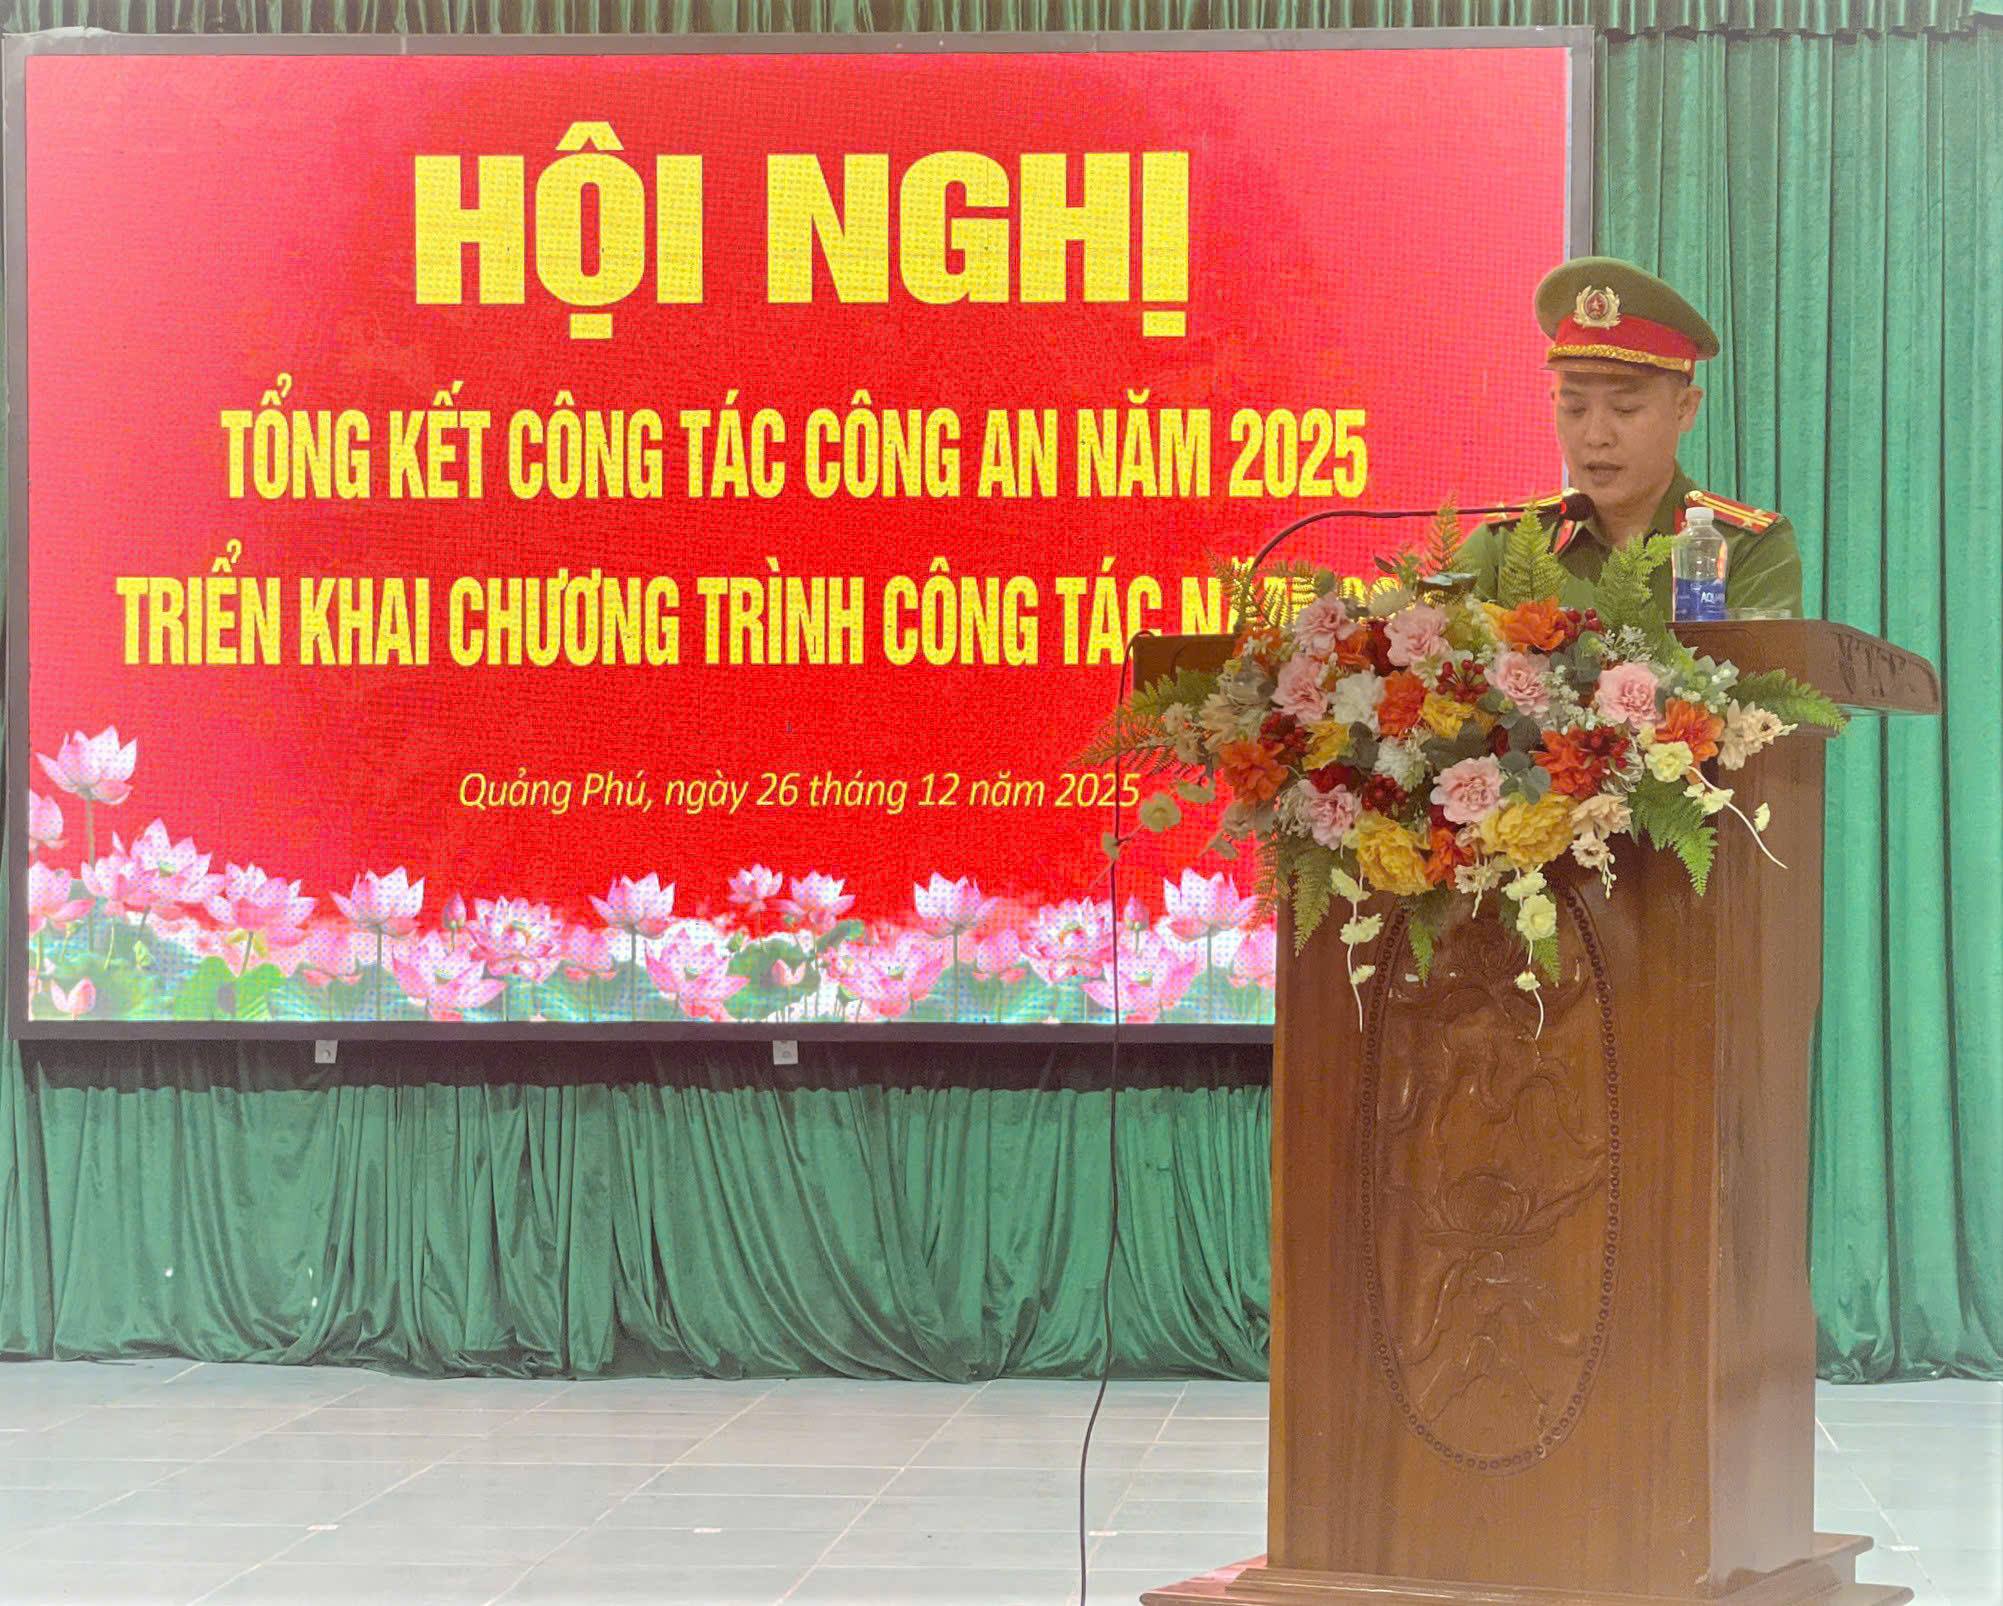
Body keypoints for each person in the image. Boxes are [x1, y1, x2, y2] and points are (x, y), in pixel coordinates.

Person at [1455, 257, 1804, 618]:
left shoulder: (1744, 549)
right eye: (1575, 408)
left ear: (1685, 408)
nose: (1596, 436)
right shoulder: (1507, 545)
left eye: (1624, 409)